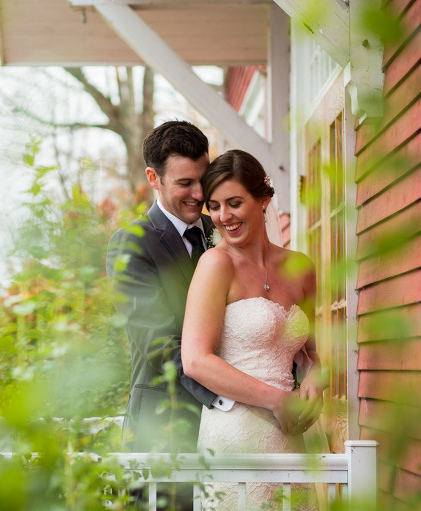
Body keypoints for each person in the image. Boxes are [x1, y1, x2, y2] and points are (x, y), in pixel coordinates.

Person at [181, 149, 324, 511]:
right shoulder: (215, 265)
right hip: (234, 432)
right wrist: (276, 400)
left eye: (234, 203)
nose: (223, 216)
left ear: (263, 199)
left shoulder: (301, 267)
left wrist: (314, 382)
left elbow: (313, 353)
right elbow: (195, 360)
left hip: (290, 434)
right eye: (214, 206)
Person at [106, 120, 227, 508]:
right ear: (153, 178)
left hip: (230, 436)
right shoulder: (131, 244)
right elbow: (158, 342)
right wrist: (229, 397)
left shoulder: (224, 231)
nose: (199, 194)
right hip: (163, 430)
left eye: (203, 180)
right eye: (185, 183)